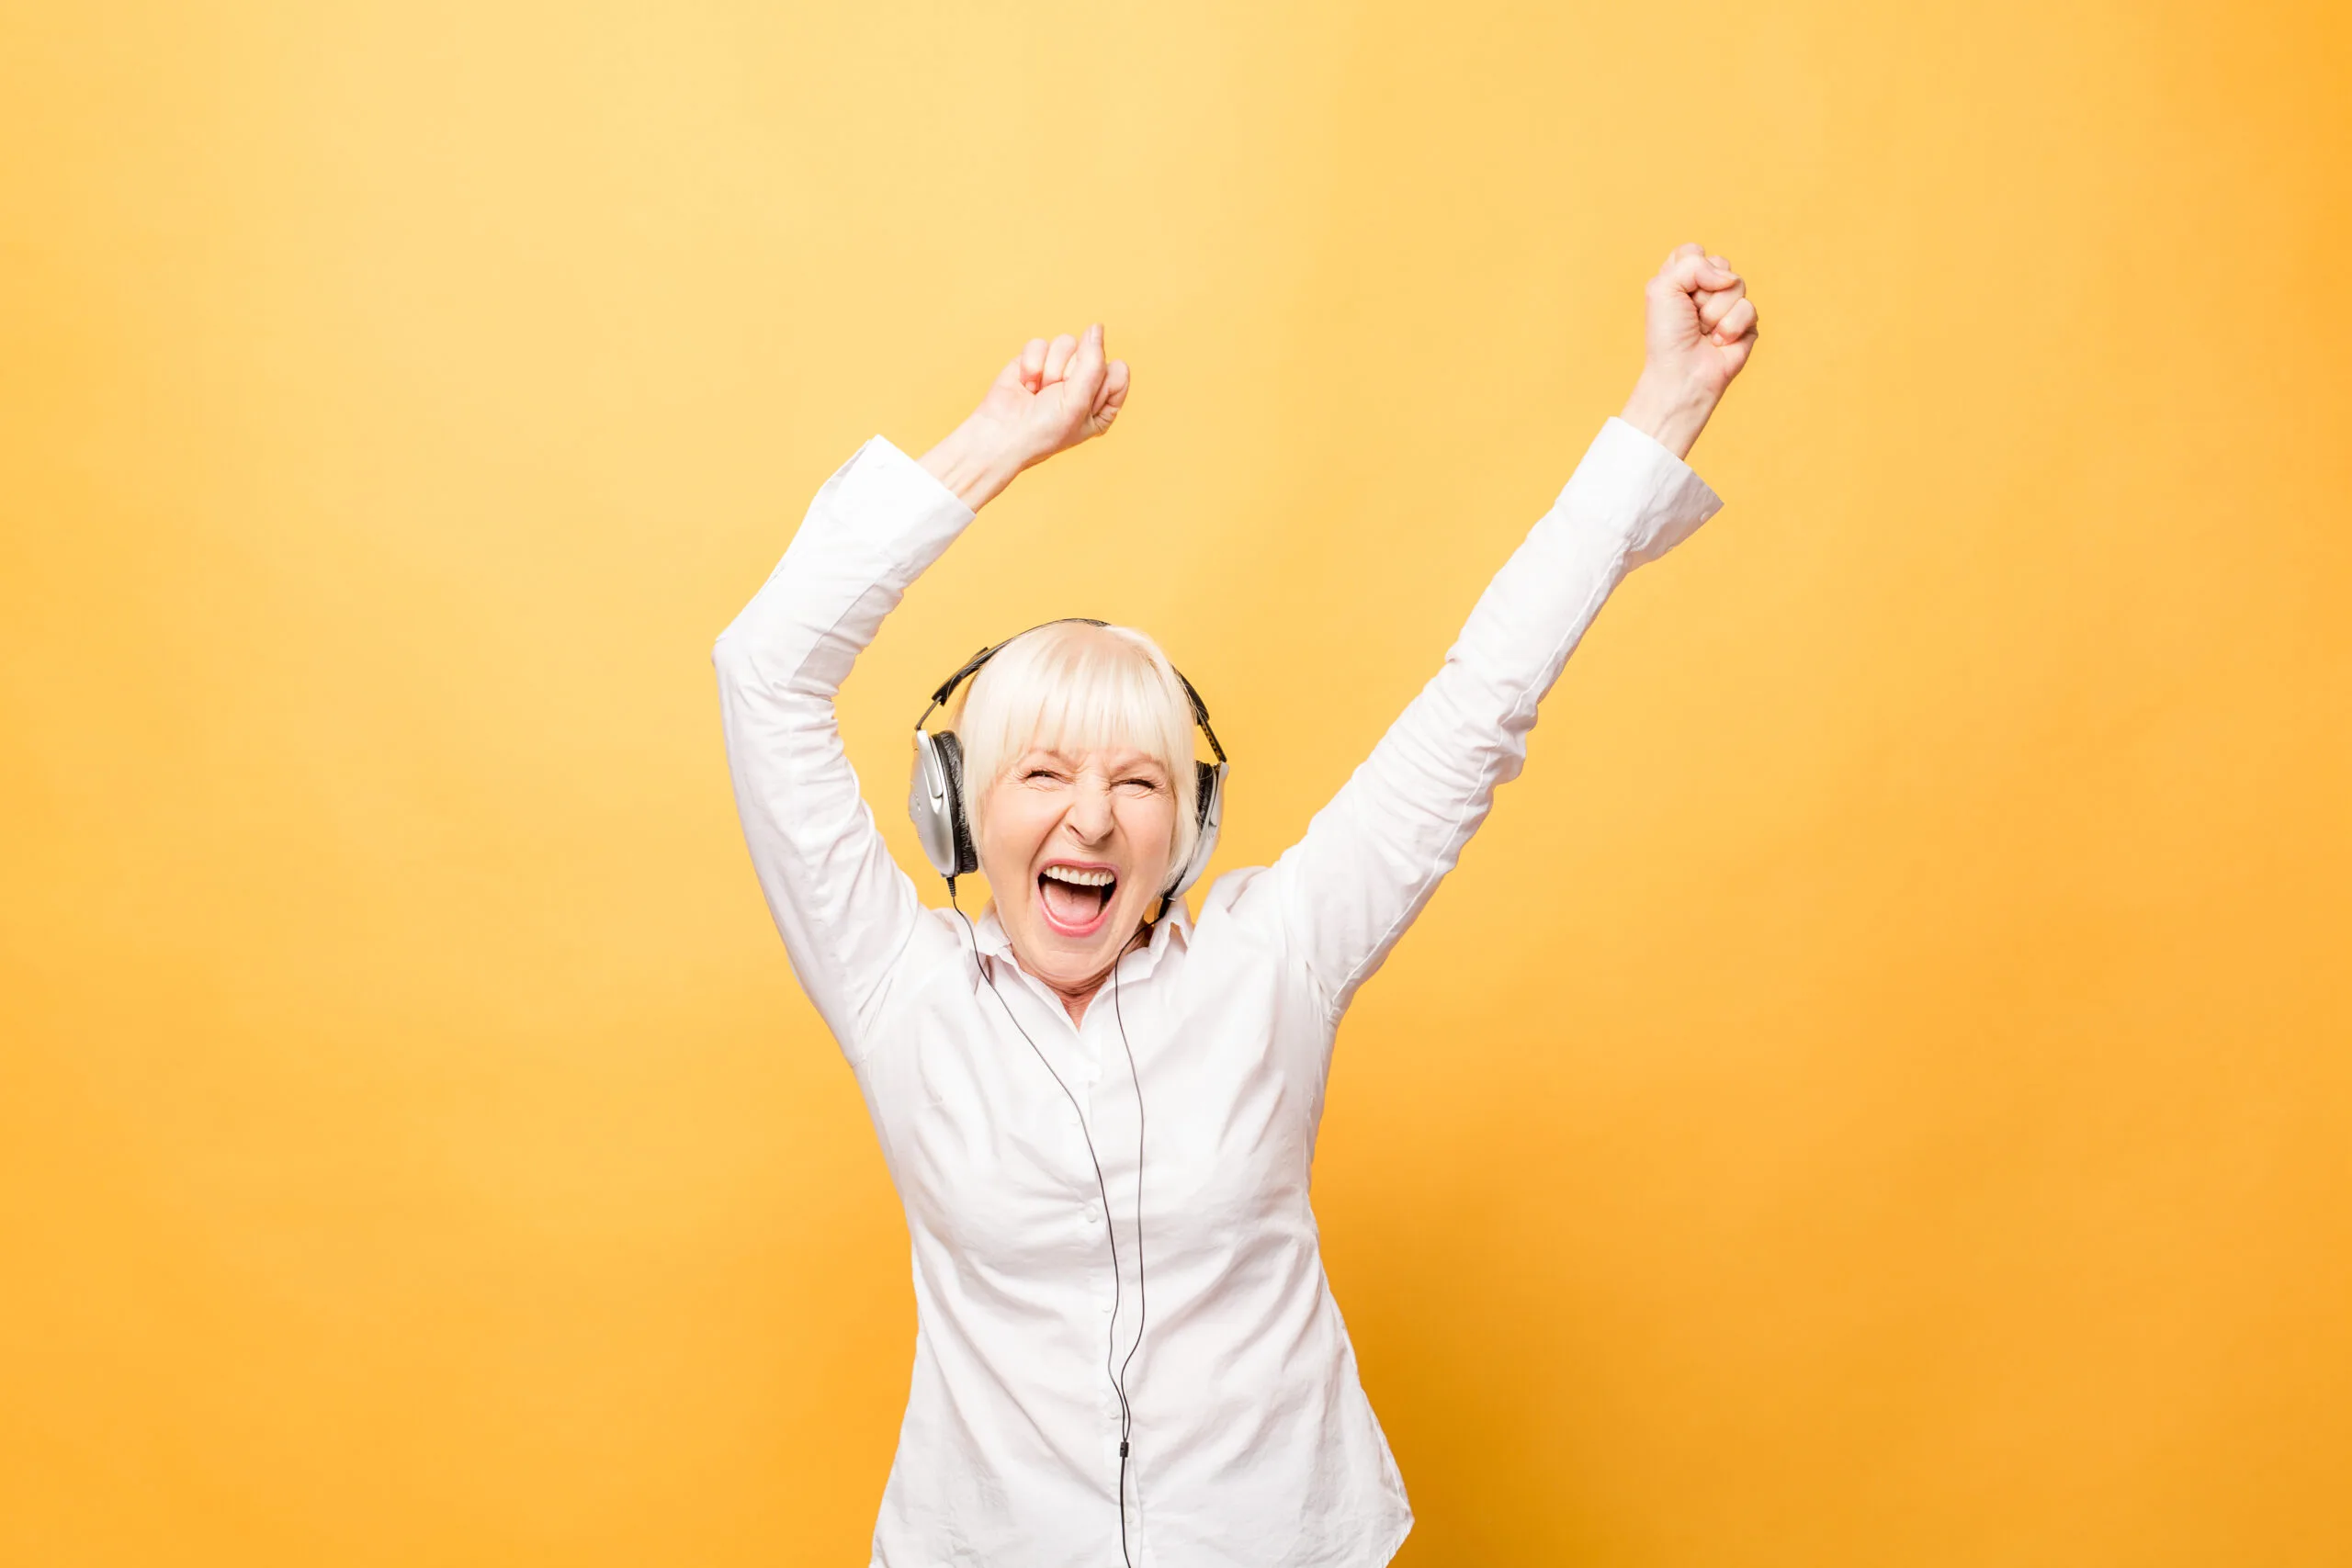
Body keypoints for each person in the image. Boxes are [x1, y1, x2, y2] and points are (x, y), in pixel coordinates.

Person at [713, 243, 1758, 1568]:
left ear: (1187, 828)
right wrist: (997, 442)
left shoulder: (1275, 959)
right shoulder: (896, 989)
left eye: (1136, 780)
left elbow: (1480, 700)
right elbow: (764, 672)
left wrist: (1665, 404)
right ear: (962, 815)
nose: (1090, 816)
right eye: (1042, 773)